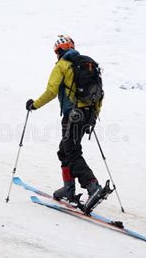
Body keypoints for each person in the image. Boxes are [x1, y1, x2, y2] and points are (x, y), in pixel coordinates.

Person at [26, 35, 107, 209]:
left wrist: (34, 105)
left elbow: (51, 91)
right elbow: (100, 94)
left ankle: (92, 186)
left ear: (58, 51)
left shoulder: (62, 66)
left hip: (73, 115)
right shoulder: (88, 66)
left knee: (71, 150)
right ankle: (69, 189)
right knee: (64, 150)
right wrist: (93, 116)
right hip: (88, 114)